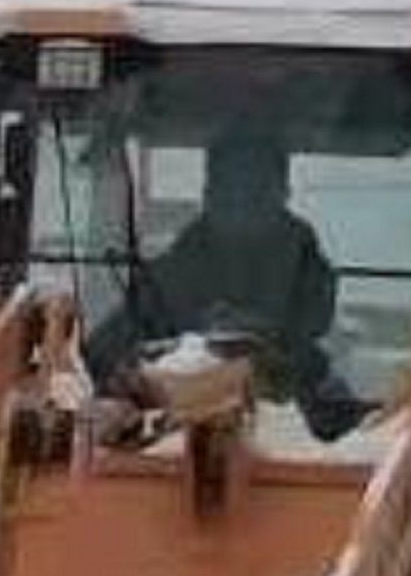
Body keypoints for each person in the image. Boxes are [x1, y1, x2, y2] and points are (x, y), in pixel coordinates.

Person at [92, 124, 351, 428]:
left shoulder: (309, 277)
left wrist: (264, 348)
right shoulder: (162, 283)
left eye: (256, 191)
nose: (241, 203)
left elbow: (344, 425)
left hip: (280, 436)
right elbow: (99, 363)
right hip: (162, 442)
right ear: (209, 194)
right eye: (229, 189)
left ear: (282, 193)